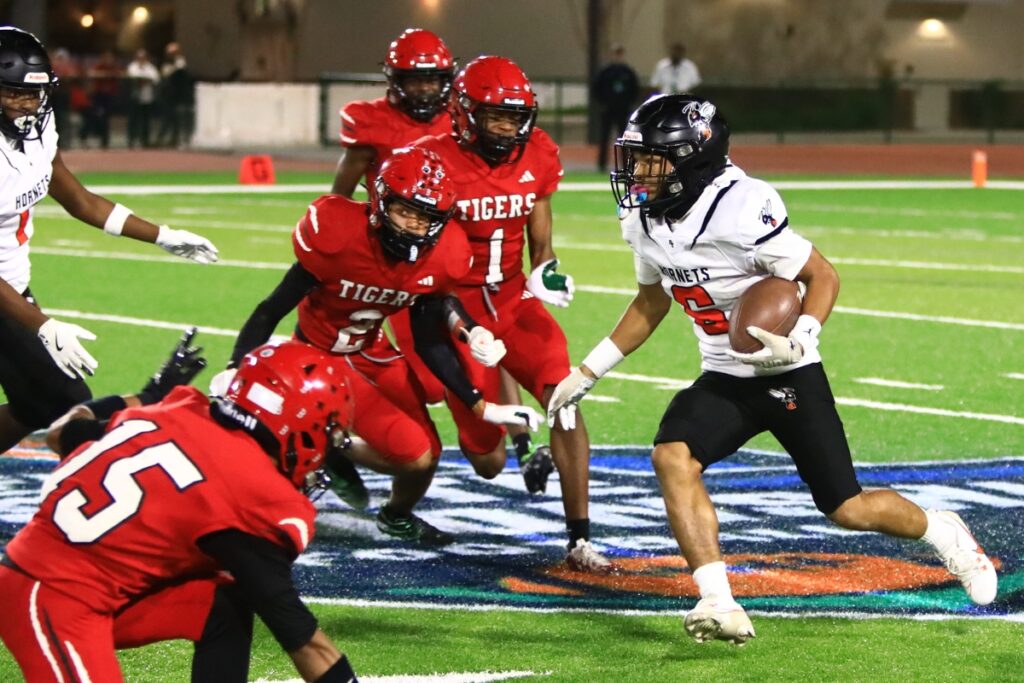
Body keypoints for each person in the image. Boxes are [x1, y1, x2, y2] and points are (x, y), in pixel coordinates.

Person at [547, 94, 998, 644]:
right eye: (636, 158)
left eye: (651, 160)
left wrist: (800, 336)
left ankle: (945, 533)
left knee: (847, 507)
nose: (637, 172)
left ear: (692, 159)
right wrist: (588, 371)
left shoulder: (741, 206)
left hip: (789, 373)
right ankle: (718, 601)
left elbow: (822, 276)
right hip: (724, 376)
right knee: (672, 456)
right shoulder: (643, 219)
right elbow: (650, 303)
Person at [211, 146, 539, 545]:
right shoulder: (338, 234)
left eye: (426, 217)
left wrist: (480, 403)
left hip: (373, 351)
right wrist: (235, 366)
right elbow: (271, 309)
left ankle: (391, 510)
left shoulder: (442, 254)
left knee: (427, 455)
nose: (415, 226)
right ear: (381, 202)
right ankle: (318, 455)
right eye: (406, 211)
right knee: (410, 454)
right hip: (317, 356)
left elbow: (429, 340)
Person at [0, 339, 362, 682]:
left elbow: (61, 433)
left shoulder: (177, 409)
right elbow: (304, 641)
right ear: (301, 422)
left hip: (85, 586)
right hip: (52, 595)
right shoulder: (251, 493)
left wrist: (147, 395)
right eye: (329, 432)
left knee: (224, 601)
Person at [331, 28, 551, 499]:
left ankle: (516, 440)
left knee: (491, 339)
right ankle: (340, 433)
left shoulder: (466, 124)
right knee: (427, 386)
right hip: (401, 266)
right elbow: (338, 203)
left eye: (434, 79)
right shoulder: (375, 125)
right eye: (416, 79)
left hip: (454, 267)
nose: (426, 88)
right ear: (394, 79)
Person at [413, 56, 609, 572]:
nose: (508, 128)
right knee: (487, 459)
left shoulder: (537, 152)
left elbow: (541, 243)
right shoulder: (433, 160)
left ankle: (580, 538)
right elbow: (421, 256)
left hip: (514, 298)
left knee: (566, 399)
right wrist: (459, 325)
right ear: (465, 113)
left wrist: (546, 272)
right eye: (496, 116)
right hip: (457, 307)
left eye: (515, 117)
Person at [0, 26, 219, 456]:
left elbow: (79, 199)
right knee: (65, 401)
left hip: (13, 289)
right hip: (6, 296)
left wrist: (163, 236)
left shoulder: (38, 129)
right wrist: (43, 324)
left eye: (34, 93)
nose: (28, 104)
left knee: (40, 403)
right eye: (14, 93)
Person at [591, 44, 638, 172]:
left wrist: (628, 104)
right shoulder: (605, 72)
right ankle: (602, 164)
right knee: (604, 136)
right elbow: (597, 89)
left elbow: (634, 90)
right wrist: (603, 103)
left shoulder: (628, 72)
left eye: (619, 53)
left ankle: (626, 164)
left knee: (624, 138)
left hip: (623, 110)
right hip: (608, 109)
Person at [156, 42, 193, 148]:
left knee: (176, 117)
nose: (171, 55)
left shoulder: (181, 63)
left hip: (177, 94)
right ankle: (162, 138)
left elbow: (180, 74)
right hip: (168, 94)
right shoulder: (167, 64)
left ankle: (173, 138)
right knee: (167, 116)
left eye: (174, 53)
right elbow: (165, 75)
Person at [126, 48, 160, 148]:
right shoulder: (133, 66)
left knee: (146, 120)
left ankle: (145, 140)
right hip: (135, 97)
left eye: (143, 57)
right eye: (139, 57)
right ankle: (132, 139)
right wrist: (144, 79)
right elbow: (133, 77)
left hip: (147, 97)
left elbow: (155, 78)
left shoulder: (150, 67)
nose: (141, 59)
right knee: (133, 119)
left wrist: (145, 79)